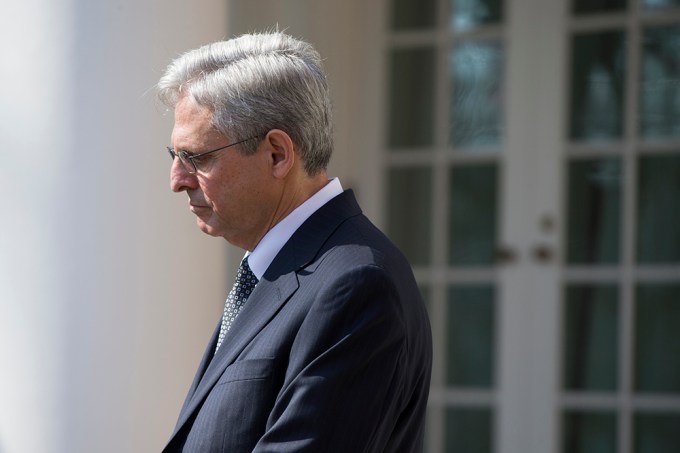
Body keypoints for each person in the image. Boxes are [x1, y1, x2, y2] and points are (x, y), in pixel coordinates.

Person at [157, 31, 432, 453]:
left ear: (277, 155)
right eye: (175, 156)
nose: (177, 180)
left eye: (197, 158)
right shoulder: (279, 268)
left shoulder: (356, 286)